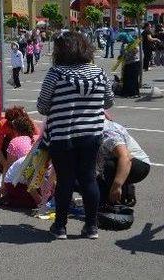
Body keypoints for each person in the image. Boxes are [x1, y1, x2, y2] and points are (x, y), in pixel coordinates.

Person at [37, 31, 113, 240]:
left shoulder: (56, 73)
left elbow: (42, 106)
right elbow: (108, 102)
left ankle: (60, 226)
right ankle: (91, 227)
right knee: (89, 178)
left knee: (65, 180)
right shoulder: (99, 72)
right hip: (92, 134)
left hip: (63, 135)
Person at [97, 117, 150, 207]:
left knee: (109, 166)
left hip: (137, 164)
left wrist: (116, 187)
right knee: (97, 183)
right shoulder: (99, 122)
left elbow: (125, 158)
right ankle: (125, 192)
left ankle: (117, 203)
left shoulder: (106, 131)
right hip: (123, 163)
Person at [0, 106, 39, 173]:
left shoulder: (30, 123)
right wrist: (6, 165)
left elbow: (37, 141)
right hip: (11, 150)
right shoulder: (4, 124)